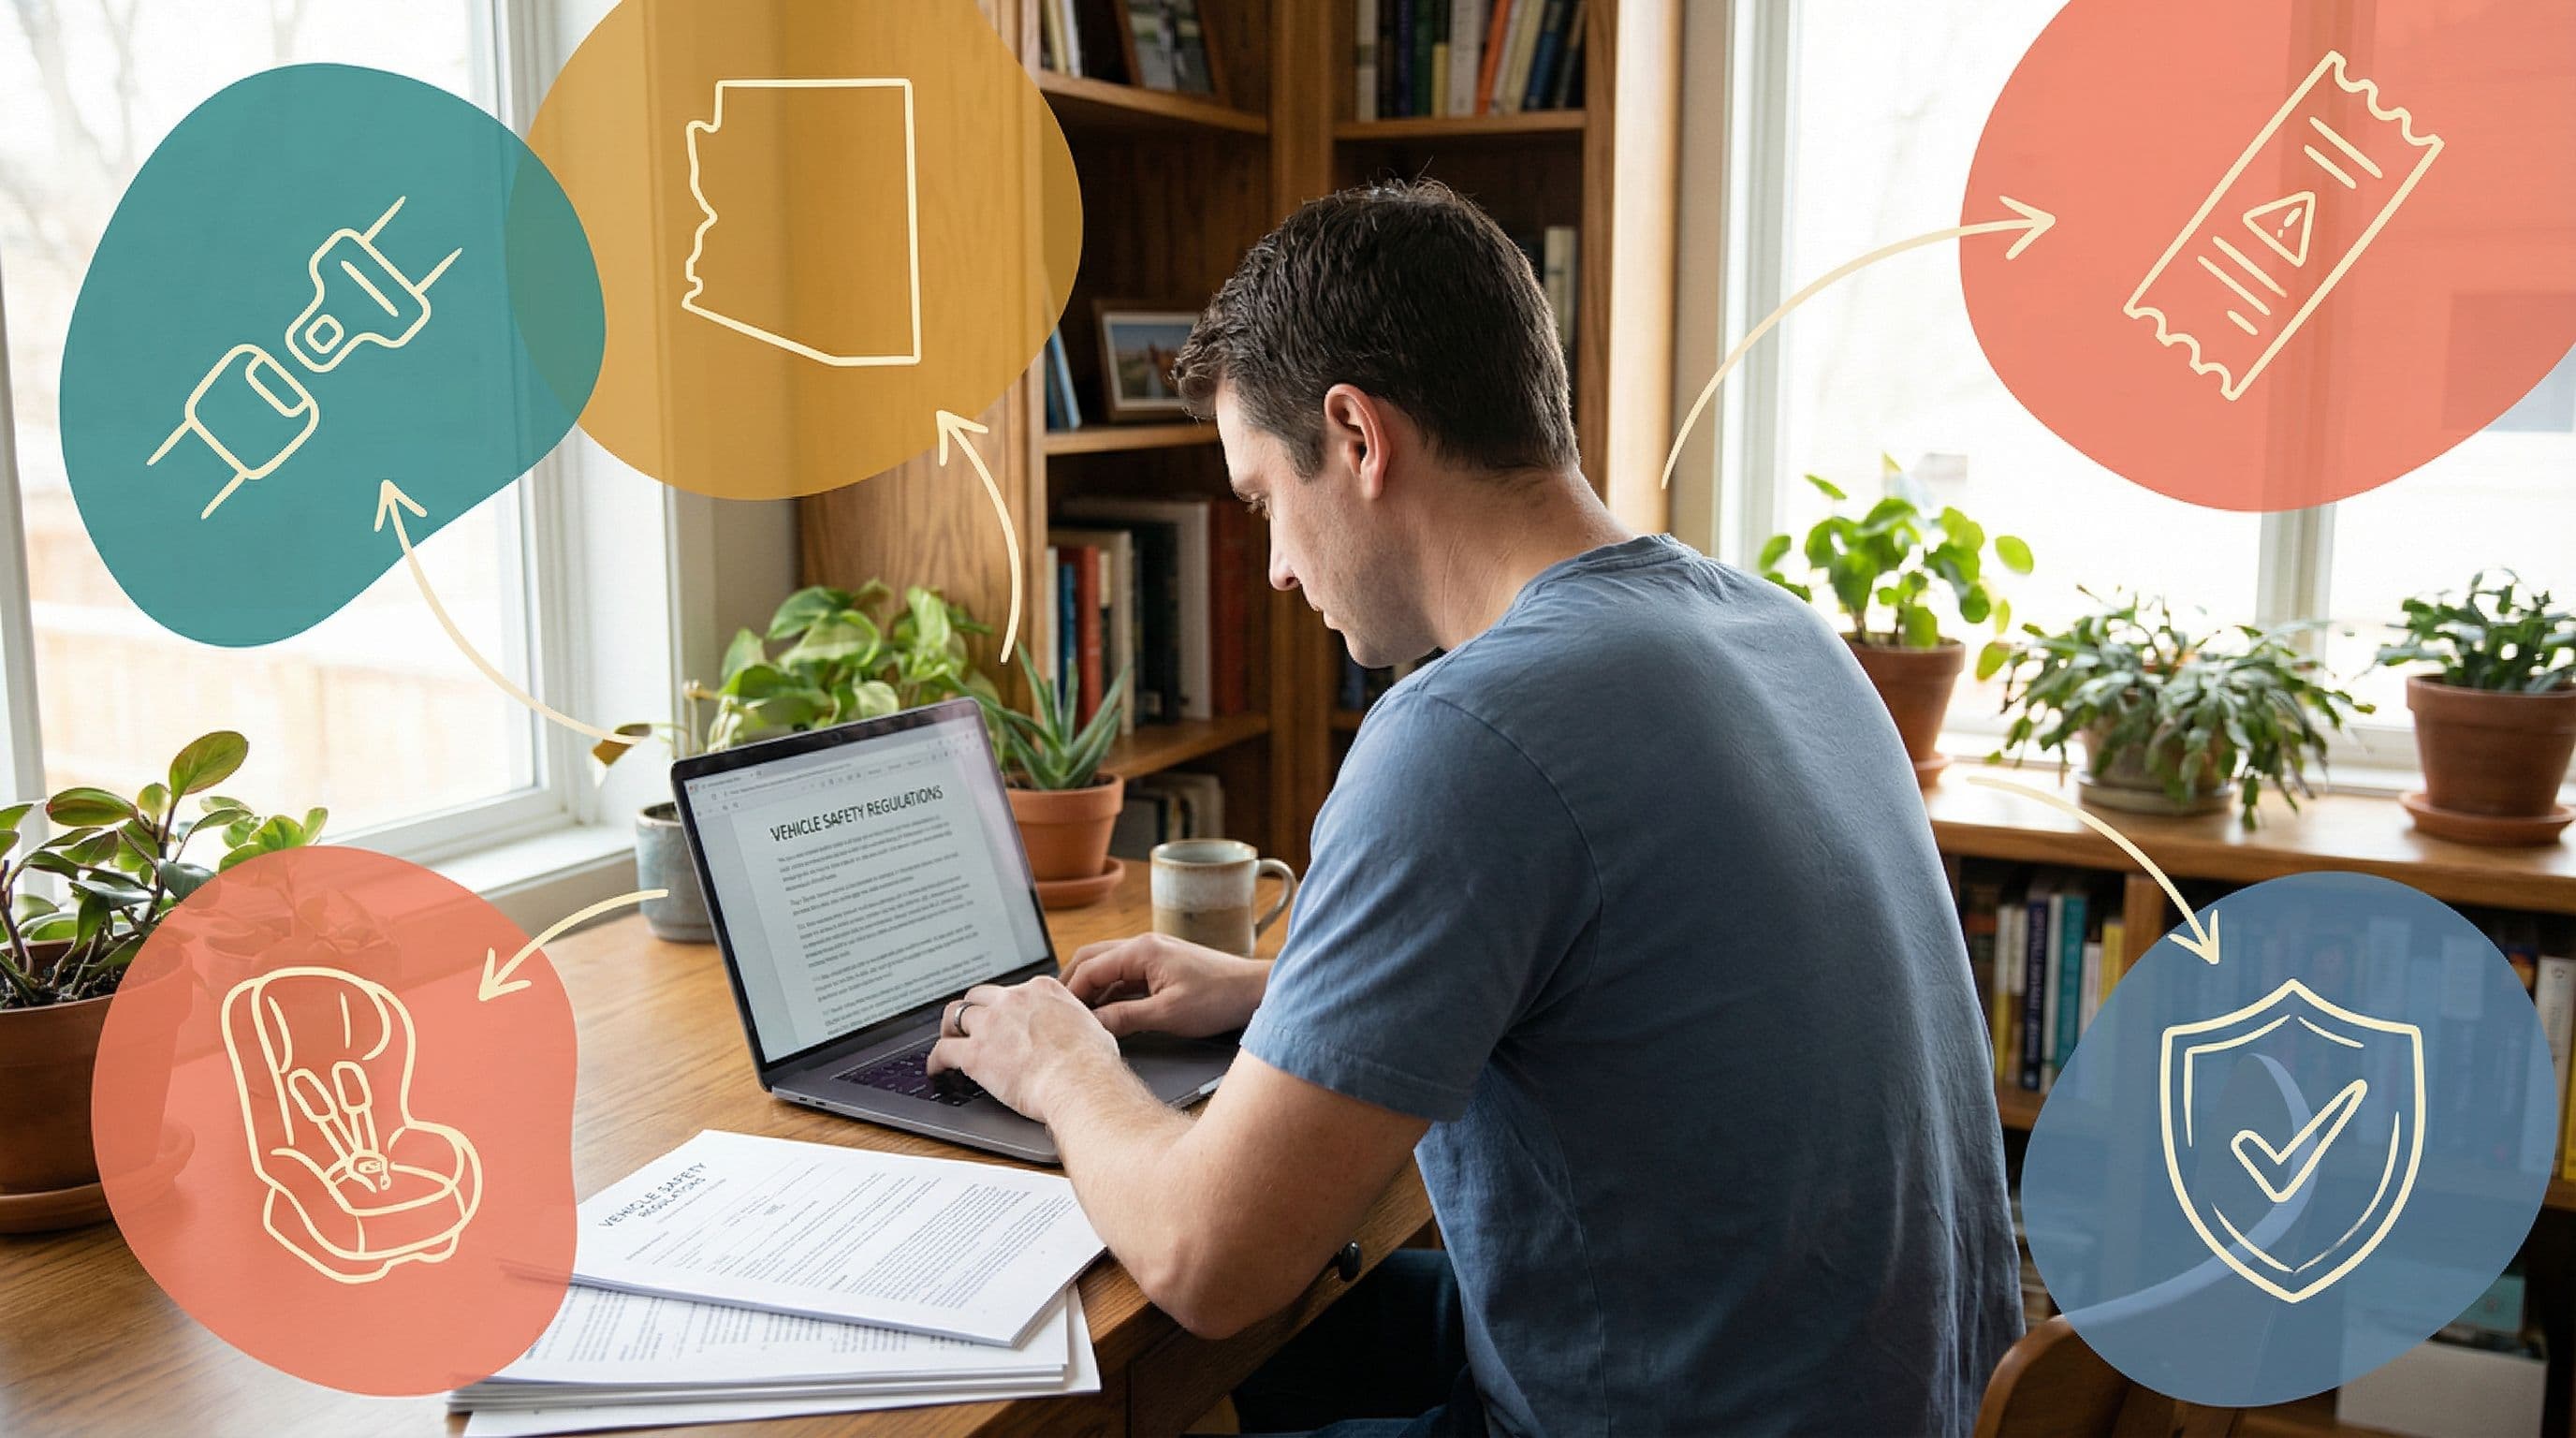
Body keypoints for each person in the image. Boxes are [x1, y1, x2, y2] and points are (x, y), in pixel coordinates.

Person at [928, 179, 2023, 1436]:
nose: (1279, 566)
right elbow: (1649, 983)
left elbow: (1209, 1260)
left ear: (1356, 436)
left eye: (1263, 502)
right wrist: (1278, 991)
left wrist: (1064, 1067)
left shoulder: (1467, 733)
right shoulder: (1773, 631)